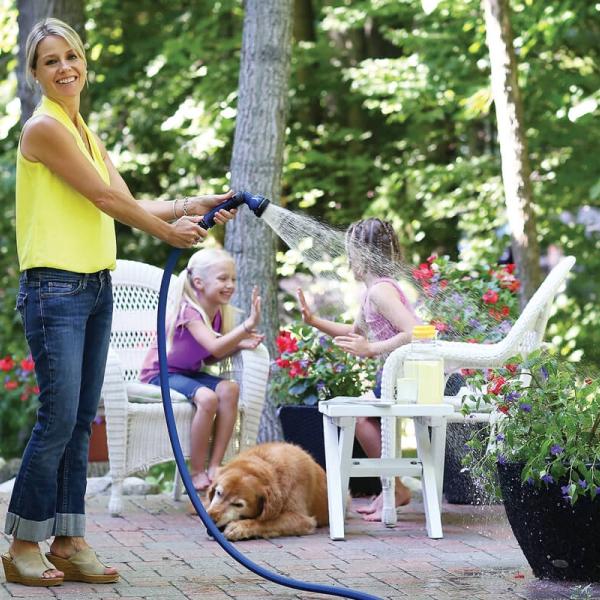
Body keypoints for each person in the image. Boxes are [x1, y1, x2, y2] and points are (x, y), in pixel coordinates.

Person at [2, 18, 236, 588]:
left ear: (85, 62)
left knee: (82, 419)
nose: (65, 67)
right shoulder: (44, 128)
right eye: (51, 60)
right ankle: (22, 544)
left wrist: (196, 203)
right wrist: (169, 233)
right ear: (35, 74)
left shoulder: (82, 129)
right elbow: (106, 199)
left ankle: (69, 540)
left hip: (93, 286)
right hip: (54, 287)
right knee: (58, 418)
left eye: (72, 56)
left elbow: (129, 200)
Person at [296, 218, 420, 521]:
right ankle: (392, 488)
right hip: (392, 377)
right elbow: (354, 333)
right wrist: (313, 321)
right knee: (365, 416)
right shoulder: (371, 293)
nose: (348, 259)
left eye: (350, 252)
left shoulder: (380, 292)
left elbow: (415, 332)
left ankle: (395, 488)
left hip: (406, 377)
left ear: (363, 255)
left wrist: (371, 349)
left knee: (361, 417)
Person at [140, 248, 264, 492]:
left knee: (229, 389)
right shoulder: (189, 311)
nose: (230, 285)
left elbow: (209, 357)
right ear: (199, 282)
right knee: (207, 398)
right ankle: (196, 471)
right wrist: (246, 327)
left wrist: (238, 345)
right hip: (160, 374)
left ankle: (215, 466)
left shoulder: (215, 312)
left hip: (187, 373)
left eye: (233, 279)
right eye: (223, 278)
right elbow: (215, 347)